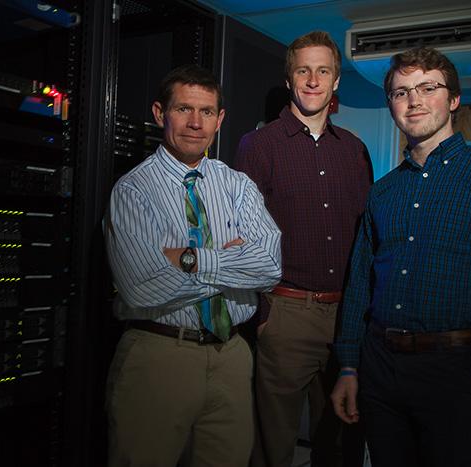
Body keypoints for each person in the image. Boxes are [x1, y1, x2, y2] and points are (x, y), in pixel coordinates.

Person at [331, 46, 471, 467]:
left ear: (454, 99)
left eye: (428, 87)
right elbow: (360, 285)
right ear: (391, 105)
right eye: (401, 91)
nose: (414, 100)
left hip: (455, 367)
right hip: (381, 368)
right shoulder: (383, 192)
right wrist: (350, 366)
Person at [104, 64, 282, 467]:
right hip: (160, 353)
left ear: (220, 119)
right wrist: (234, 262)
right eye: (184, 109)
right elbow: (142, 287)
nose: (195, 123)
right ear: (158, 113)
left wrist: (188, 259)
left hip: (232, 354)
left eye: (206, 112)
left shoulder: (237, 185)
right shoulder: (133, 190)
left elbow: (270, 266)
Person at [235, 31, 372, 467]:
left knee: (342, 445)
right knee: (273, 447)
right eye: (303, 70)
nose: (313, 79)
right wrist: (262, 318)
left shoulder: (355, 150)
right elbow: (240, 236)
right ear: (290, 77)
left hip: (347, 320)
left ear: (336, 82)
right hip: (285, 314)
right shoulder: (258, 145)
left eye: (324, 70)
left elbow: (367, 236)